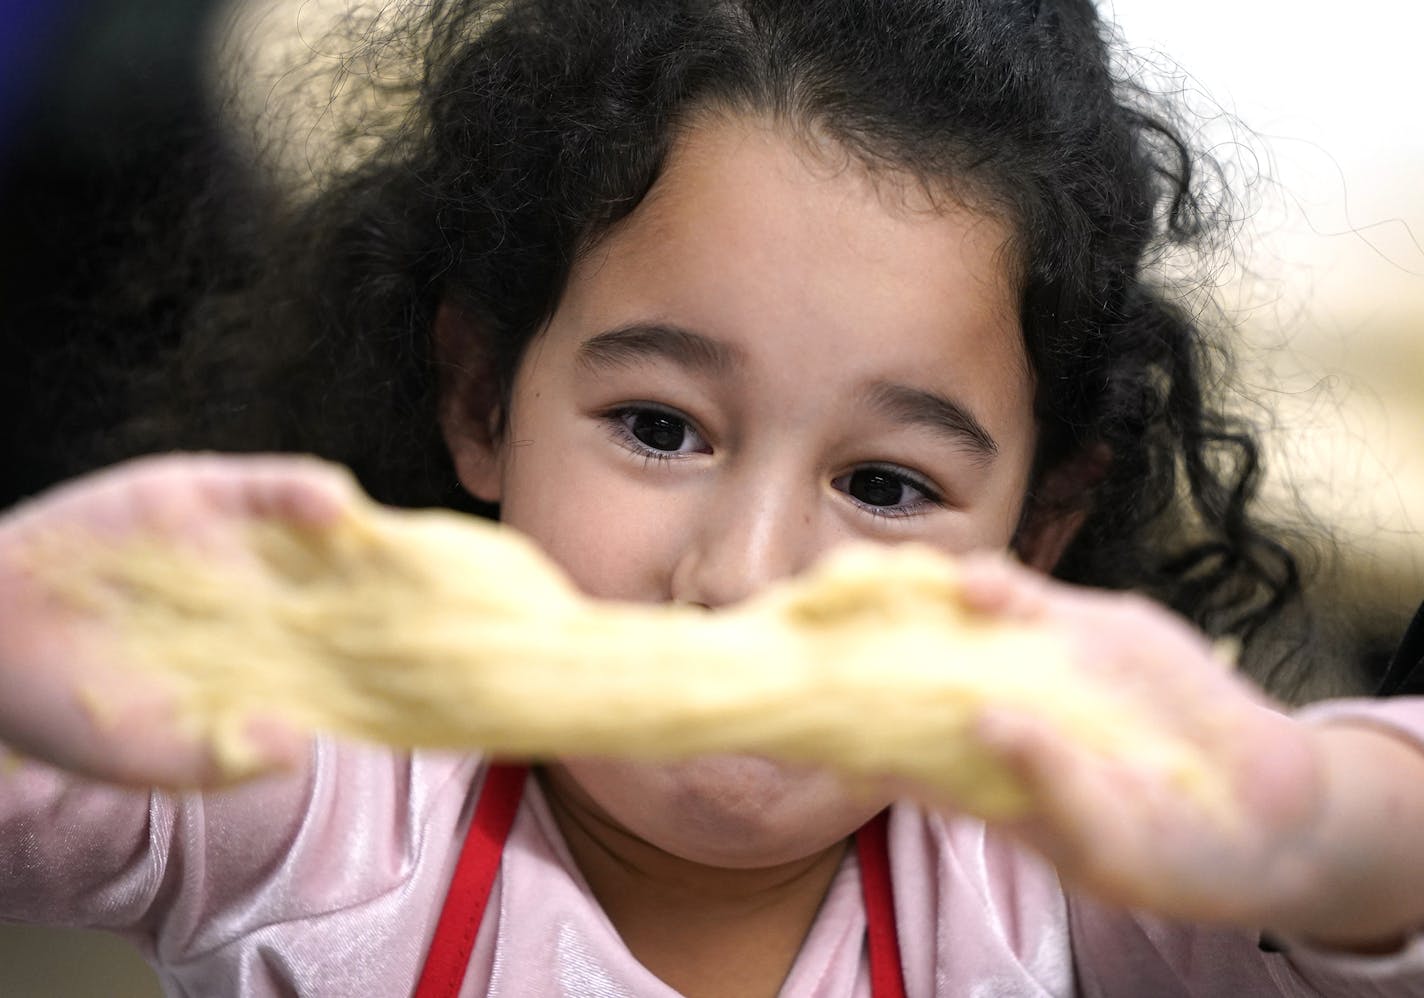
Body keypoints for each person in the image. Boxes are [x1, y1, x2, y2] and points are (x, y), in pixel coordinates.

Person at [2, 0, 1423, 994]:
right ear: (483, 401)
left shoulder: (1059, 879)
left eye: (884, 482)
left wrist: (1297, 818)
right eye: (660, 427)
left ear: (1038, 529)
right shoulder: (317, 796)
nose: (742, 575)